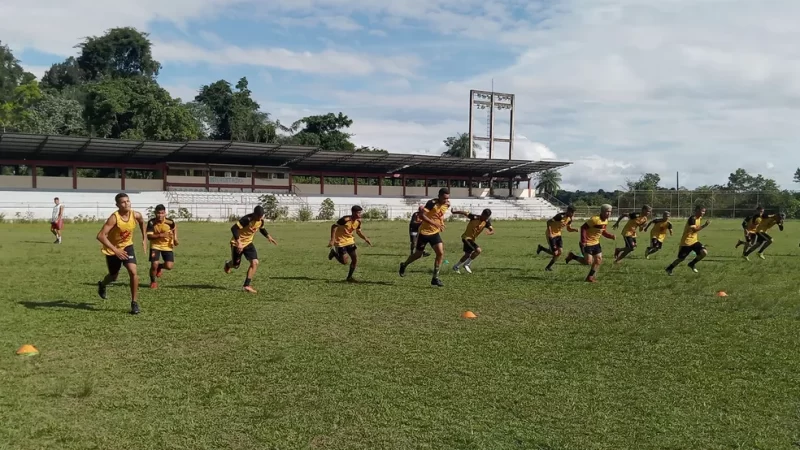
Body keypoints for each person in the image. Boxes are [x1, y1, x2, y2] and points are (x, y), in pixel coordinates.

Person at [96, 193, 147, 315]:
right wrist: (116, 250)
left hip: (128, 247)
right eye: (123, 202)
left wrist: (144, 238)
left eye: (128, 201)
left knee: (133, 272)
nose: (126, 204)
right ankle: (102, 285)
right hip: (112, 250)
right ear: (117, 205)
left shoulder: (136, 215)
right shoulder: (114, 218)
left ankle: (134, 303)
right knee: (113, 276)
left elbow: (142, 222)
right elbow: (100, 236)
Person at [399, 187, 450, 287]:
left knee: (440, 253)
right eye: (444, 198)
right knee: (418, 254)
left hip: (434, 233)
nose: (446, 200)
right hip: (424, 233)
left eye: (447, 198)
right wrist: (435, 223)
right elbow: (422, 216)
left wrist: (441, 223)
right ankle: (404, 265)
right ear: (439, 196)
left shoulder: (447, 204)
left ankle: (435, 278)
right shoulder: (431, 203)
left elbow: (441, 214)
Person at [224, 205, 278, 293]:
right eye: (258, 216)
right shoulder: (247, 219)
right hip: (237, 244)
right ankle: (228, 264)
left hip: (248, 243)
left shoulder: (261, 221)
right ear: (254, 214)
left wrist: (268, 236)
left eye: (261, 216)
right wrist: (239, 243)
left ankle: (247, 285)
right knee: (235, 265)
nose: (260, 218)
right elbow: (234, 228)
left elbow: (261, 228)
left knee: (255, 262)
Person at [565, 204, 615, 282]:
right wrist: (583, 240)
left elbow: (603, 231)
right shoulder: (595, 219)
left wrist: (610, 236)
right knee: (588, 262)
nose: (609, 213)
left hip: (596, 243)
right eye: (607, 212)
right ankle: (573, 256)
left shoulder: (605, 221)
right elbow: (583, 228)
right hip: (587, 243)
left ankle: (590, 277)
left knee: (598, 260)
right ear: (602, 211)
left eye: (610, 212)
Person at [328, 205, 373, 282]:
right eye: (358, 213)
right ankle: (334, 253)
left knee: (354, 259)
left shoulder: (358, 221)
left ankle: (349, 278)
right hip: (340, 241)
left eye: (360, 212)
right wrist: (332, 239)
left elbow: (358, 232)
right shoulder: (345, 219)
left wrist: (365, 238)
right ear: (353, 212)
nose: (360, 214)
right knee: (344, 262)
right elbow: (334, 226)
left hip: (350, 241)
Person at [666, 205, 710, 275]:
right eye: (702, 211)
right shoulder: (692, 219)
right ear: (697, 210)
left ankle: (692, 264)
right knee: (681, 259)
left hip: (694, 241)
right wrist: (704, 225)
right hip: (686, 242)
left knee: (704, 252)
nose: (703, 213)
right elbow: (694, 230)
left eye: (704, 211)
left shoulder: (699, 218)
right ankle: (669, 268)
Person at [451, 208, 494, 274]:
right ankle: (467, 264)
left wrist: (490, 232)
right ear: (482, 214)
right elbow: (463, 212)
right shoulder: (474, 217)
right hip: (466, 238)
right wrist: (454, 212)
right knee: (478, 250)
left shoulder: (486, 222)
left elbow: (492, 229)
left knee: (467, 255)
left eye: (487, 217)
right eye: (484, 216)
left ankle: (456, 266)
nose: (485, 218)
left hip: (471, 239)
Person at [536, 205, 578, 271]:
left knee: (560, 252)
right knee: (555, 253)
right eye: (572, 212)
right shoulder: (560, 216)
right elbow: (548, 222)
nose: (573, 214)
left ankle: (548, 267)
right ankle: (542, 249)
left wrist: (574, 229)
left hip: (558, 235)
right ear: (568, 211)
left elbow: (568, 229)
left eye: (574, 212)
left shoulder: (570, 219)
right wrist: (550, 233)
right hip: (551, 235)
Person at [146, 204, 178, 289]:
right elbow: (149, 237)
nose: (160, 215)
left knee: (169, 266)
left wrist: (175, 239)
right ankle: (153, 281)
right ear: (155, 213)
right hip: (155, 246)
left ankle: (160, 267)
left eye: (162, 213)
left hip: (167, 246)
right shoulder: (151, 222)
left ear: (165, 213)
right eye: (158, 213)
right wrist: (161, 235)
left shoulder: (170, 222)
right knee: (154, 264)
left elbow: (174, 228)